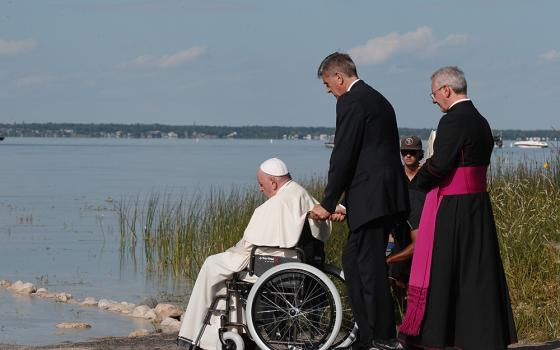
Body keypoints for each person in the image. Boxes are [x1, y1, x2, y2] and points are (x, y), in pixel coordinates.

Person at [399, 67, 517, 349]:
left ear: (446, 90)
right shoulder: (481, 120)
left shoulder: (453, 121)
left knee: (444, 271)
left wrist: (418, 182)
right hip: (478, 203)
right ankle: (481, 335)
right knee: (477, 272)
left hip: (454, 206)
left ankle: (440, 336)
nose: (435, 101)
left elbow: (440, 165)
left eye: (434, 95)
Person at [310, 52, 409, 350]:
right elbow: (373, 157)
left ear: (339, 77)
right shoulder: (379, 99)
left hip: (372, 200)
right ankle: (368, 334)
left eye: (328, 83)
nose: (329, 90)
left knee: (369, 270)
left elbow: (344, 155)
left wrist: (328, 202)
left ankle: (382, 338)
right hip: (382, 198)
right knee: (354, 262)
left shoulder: (351, 102)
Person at [177, 158, 331, 350]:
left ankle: (193, 336)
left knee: (212, 264)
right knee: (223, 270)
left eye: (261, 184)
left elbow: (251, 244)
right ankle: (230, 334)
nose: (260, 189)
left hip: (271, 261)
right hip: (294, 260)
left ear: (273, 183)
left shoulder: (276, 204)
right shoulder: (301, 192)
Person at [387, 136, 427, 300]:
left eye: (412, 152)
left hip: (422, 229)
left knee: (417, 280)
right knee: (396, 278)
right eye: (405, 152)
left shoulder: (426, 176)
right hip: (399, 233)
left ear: (420, 154)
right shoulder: (395, 177)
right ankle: (400, 315)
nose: (408, 155)